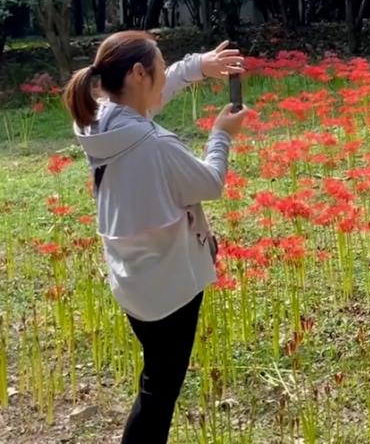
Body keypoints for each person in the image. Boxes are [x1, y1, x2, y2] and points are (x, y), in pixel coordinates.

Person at [62, 31, 249, 443]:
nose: (166, 73)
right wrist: (221, 134)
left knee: (155, 380)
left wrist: (198, 66)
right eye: (161, 66)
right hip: (170, 289)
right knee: (158, 394)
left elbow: (149, 101)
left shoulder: (99, 120)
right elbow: (210, 183)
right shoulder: (154, 145)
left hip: (134, 278)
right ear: (138, 73)